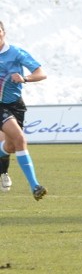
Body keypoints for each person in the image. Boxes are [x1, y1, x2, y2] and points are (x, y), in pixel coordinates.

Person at [0, 21, 47, 201]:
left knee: (11, 146)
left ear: (4, 32)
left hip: (16, 105)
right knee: (20, 138)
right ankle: (35, 186)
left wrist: (25, 78)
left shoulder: (16, 53)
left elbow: (41, 73)